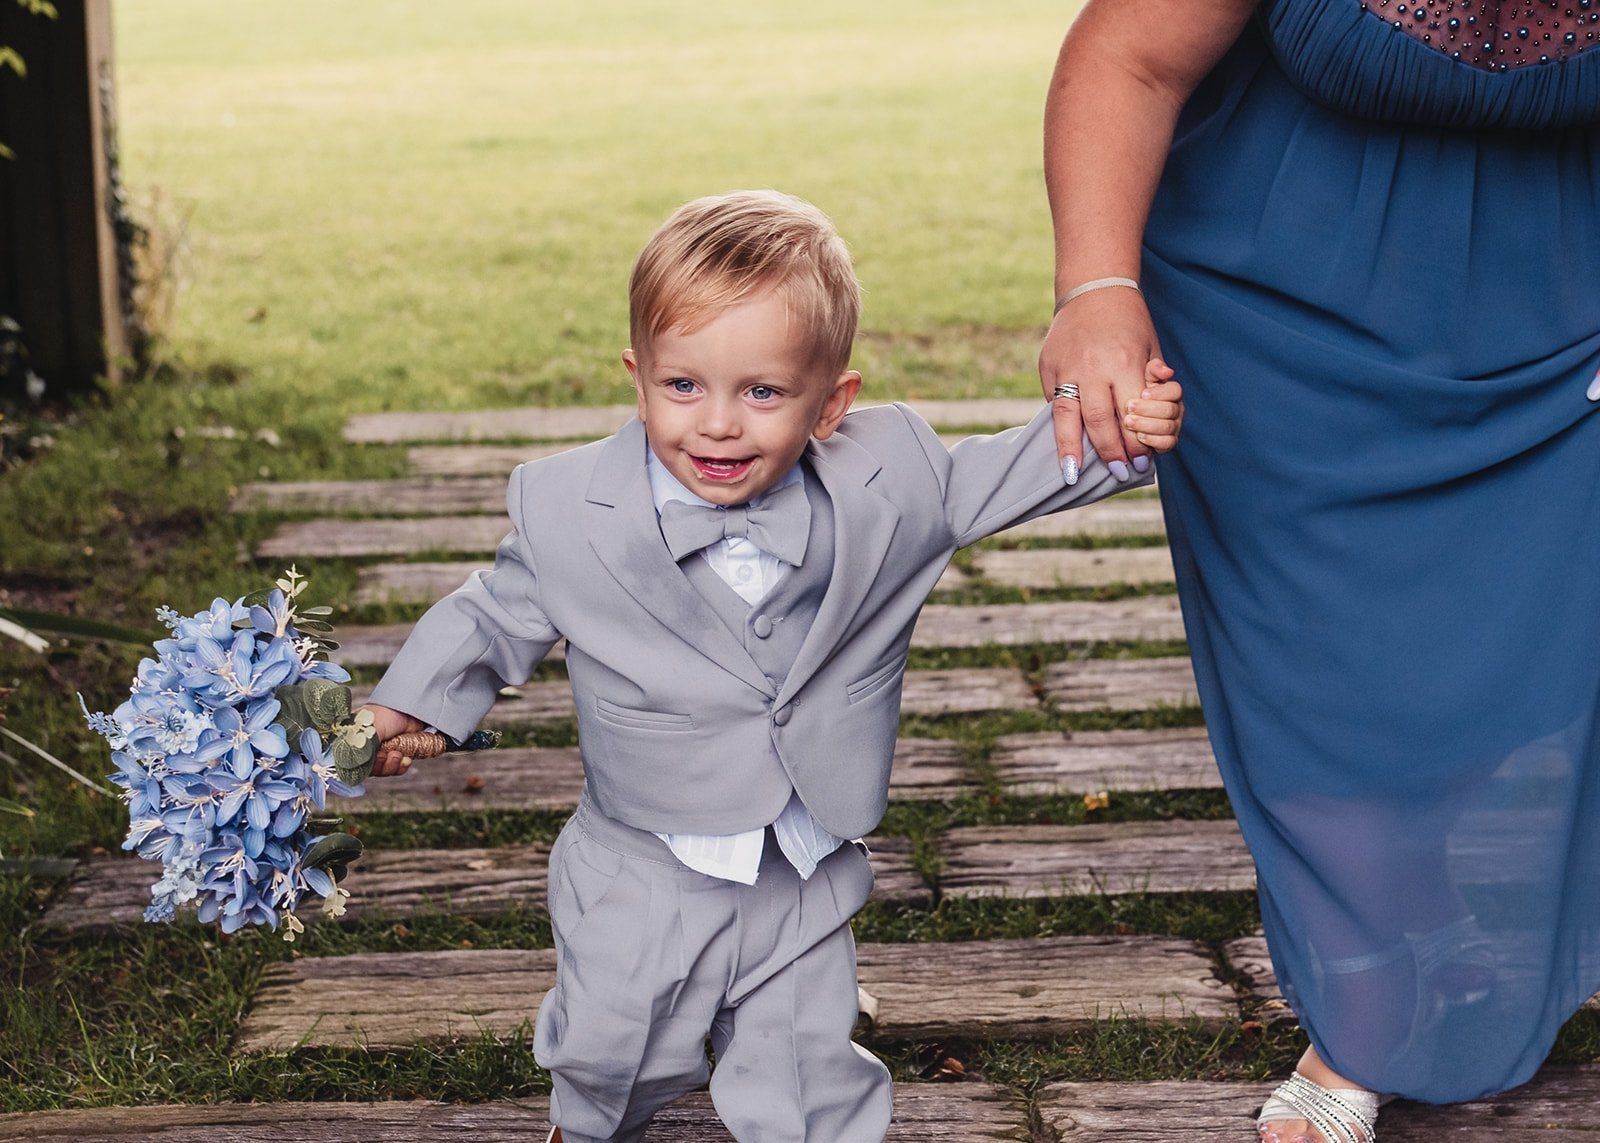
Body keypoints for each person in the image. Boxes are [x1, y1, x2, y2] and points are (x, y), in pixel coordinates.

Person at [356, 189, 1185, 1143]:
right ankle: (585, 1123)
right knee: (615, 1053)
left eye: (761, 392)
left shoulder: (892, 482)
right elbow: (490, 616)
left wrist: (1126, 426)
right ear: (638, 377)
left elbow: (1002, 473)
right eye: (683, 387)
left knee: (806, 1073)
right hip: (645, 863)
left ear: (832, 403)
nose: (716, 424)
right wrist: (403, 706)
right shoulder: (570, 510)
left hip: (802, 860)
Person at [1038, 1, 1600, 1140]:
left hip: (1561, 323)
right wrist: (1096, 292)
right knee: (1318, 656)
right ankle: (1372, 1001)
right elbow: (1129, 57)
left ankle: (1438, 921)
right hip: (1274, 308)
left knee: (1523, 636)